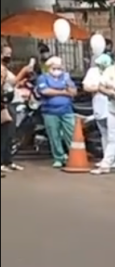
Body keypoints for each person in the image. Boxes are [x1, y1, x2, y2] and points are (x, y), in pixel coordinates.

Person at [36, 57, 77, 168]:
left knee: (71, 134)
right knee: (54, 136)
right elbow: (45, 91)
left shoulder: (65, 77)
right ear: (49, 68)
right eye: (54, 67)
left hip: (66, 110)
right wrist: (63, 92)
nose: (57, 70)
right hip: (50, 111)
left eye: (59, 67)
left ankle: (74, 156)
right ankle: (59, 158)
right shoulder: (43, 78)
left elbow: (73, 92)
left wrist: (68, 85)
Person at [1, 44, 34, 172]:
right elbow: (9, 83)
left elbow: (13, 83)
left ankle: (8, 160)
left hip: (11, 102)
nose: (9, 56)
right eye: (6, 54)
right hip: (3, 103)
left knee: (10, 134)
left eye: (10, 54)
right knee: (5, 133)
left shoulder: (6, 70)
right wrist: (23, 71)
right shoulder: (2, 70)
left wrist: (22, 81)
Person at [82, 53, 113, 165]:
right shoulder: (93, 72)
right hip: (99, 105)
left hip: (112, 106)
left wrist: (101, 88)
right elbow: (86, 86)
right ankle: (106, 158)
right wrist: (99, 88)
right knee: (104, 134)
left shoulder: (112, 71)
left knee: (114, 134)